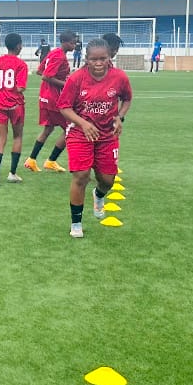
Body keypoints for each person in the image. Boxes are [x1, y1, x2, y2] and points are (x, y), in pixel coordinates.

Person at [59, 38, 133, 238]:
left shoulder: (119, 77)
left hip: (107, 135)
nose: (99, 63)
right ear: (86, 59)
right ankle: (76, 224)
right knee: (81, 176)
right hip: (79, 133)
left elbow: (127, 98)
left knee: (107, 180)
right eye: (94, 59)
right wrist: (83, 123)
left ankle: (99, 195)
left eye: (103, 59)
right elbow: (64, 107)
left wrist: (119, 116)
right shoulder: (76, 79)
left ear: (110, 58)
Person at [24, 30, 77, 173]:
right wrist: (66, 84)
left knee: (48, 129)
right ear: (64, 42)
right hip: (54, 99)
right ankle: (51, 160)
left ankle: (31, 160)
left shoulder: (53, 53)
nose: (74, 45)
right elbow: (46, 76)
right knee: (71, 128)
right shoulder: (59, 56)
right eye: (72, 42)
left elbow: (40, 71)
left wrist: (60, 78)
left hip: (45, 96)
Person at [0, 32, 28, 186]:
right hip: (16, 106)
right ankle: (12, 173)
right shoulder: (21, 65)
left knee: (1, 138)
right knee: (17, 137)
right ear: (18, 46)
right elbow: (21, 87)